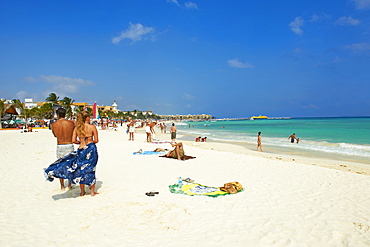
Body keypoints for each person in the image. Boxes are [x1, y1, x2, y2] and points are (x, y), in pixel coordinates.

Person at [72, 111, 99, 196]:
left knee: (81, 170)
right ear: (87, 118)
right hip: (90, 149)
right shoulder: (92, 127)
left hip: (81, 149)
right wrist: (90, 142)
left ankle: (82, 191)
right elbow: (96, 140)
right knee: (91, 169)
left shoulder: (77, 128)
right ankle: (92, 192)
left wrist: (80, 142)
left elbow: (73, 140)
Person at [51, 108, 75, 190]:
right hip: (69, 144)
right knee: (70, 165)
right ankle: (69, 184)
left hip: (60, 145)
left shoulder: (54, 124)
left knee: (60, 165)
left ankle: (62, 185)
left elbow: (55, 135)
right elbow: (73, 133)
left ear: (57, 114)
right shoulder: (71, 123)